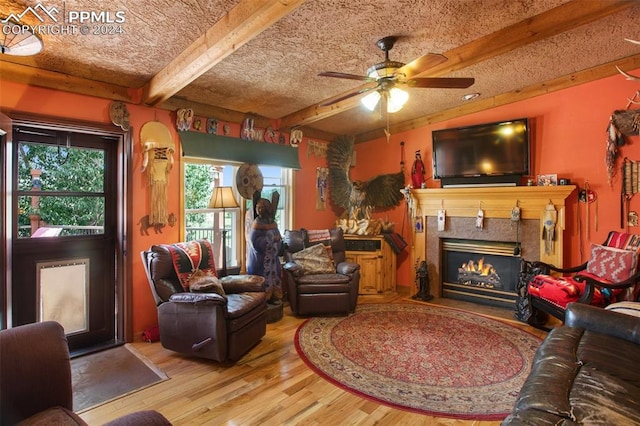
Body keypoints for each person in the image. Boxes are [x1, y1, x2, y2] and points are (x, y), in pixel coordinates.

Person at [247, 191, 282, 303]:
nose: (259, 210)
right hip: (261, 259)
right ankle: (262, 299)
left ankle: (273, 296)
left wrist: (277, 240)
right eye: (258, 207)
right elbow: (254, 241)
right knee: (261, 279)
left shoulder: (272, 222)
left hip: (273, 258)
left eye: (262, 207)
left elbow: (278, 236)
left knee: (275, 275)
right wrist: (269, 241)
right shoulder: (257, 223)